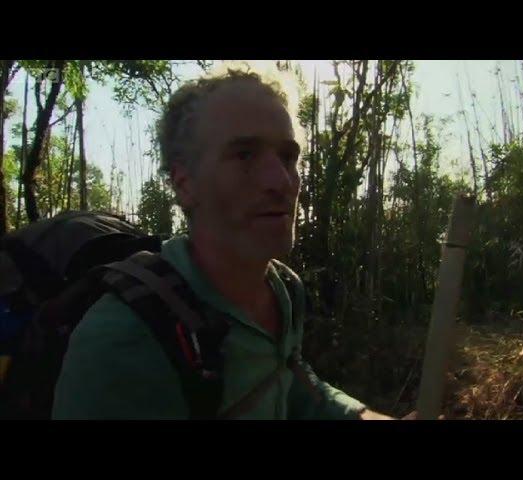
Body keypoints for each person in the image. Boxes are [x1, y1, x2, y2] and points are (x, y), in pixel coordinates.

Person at [52, 69, 406, 420]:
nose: (281, 181)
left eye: (287, 157)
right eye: (245, 155)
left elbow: (289, 384)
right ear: (184, 184)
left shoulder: (284, 290)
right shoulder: (123, 338)